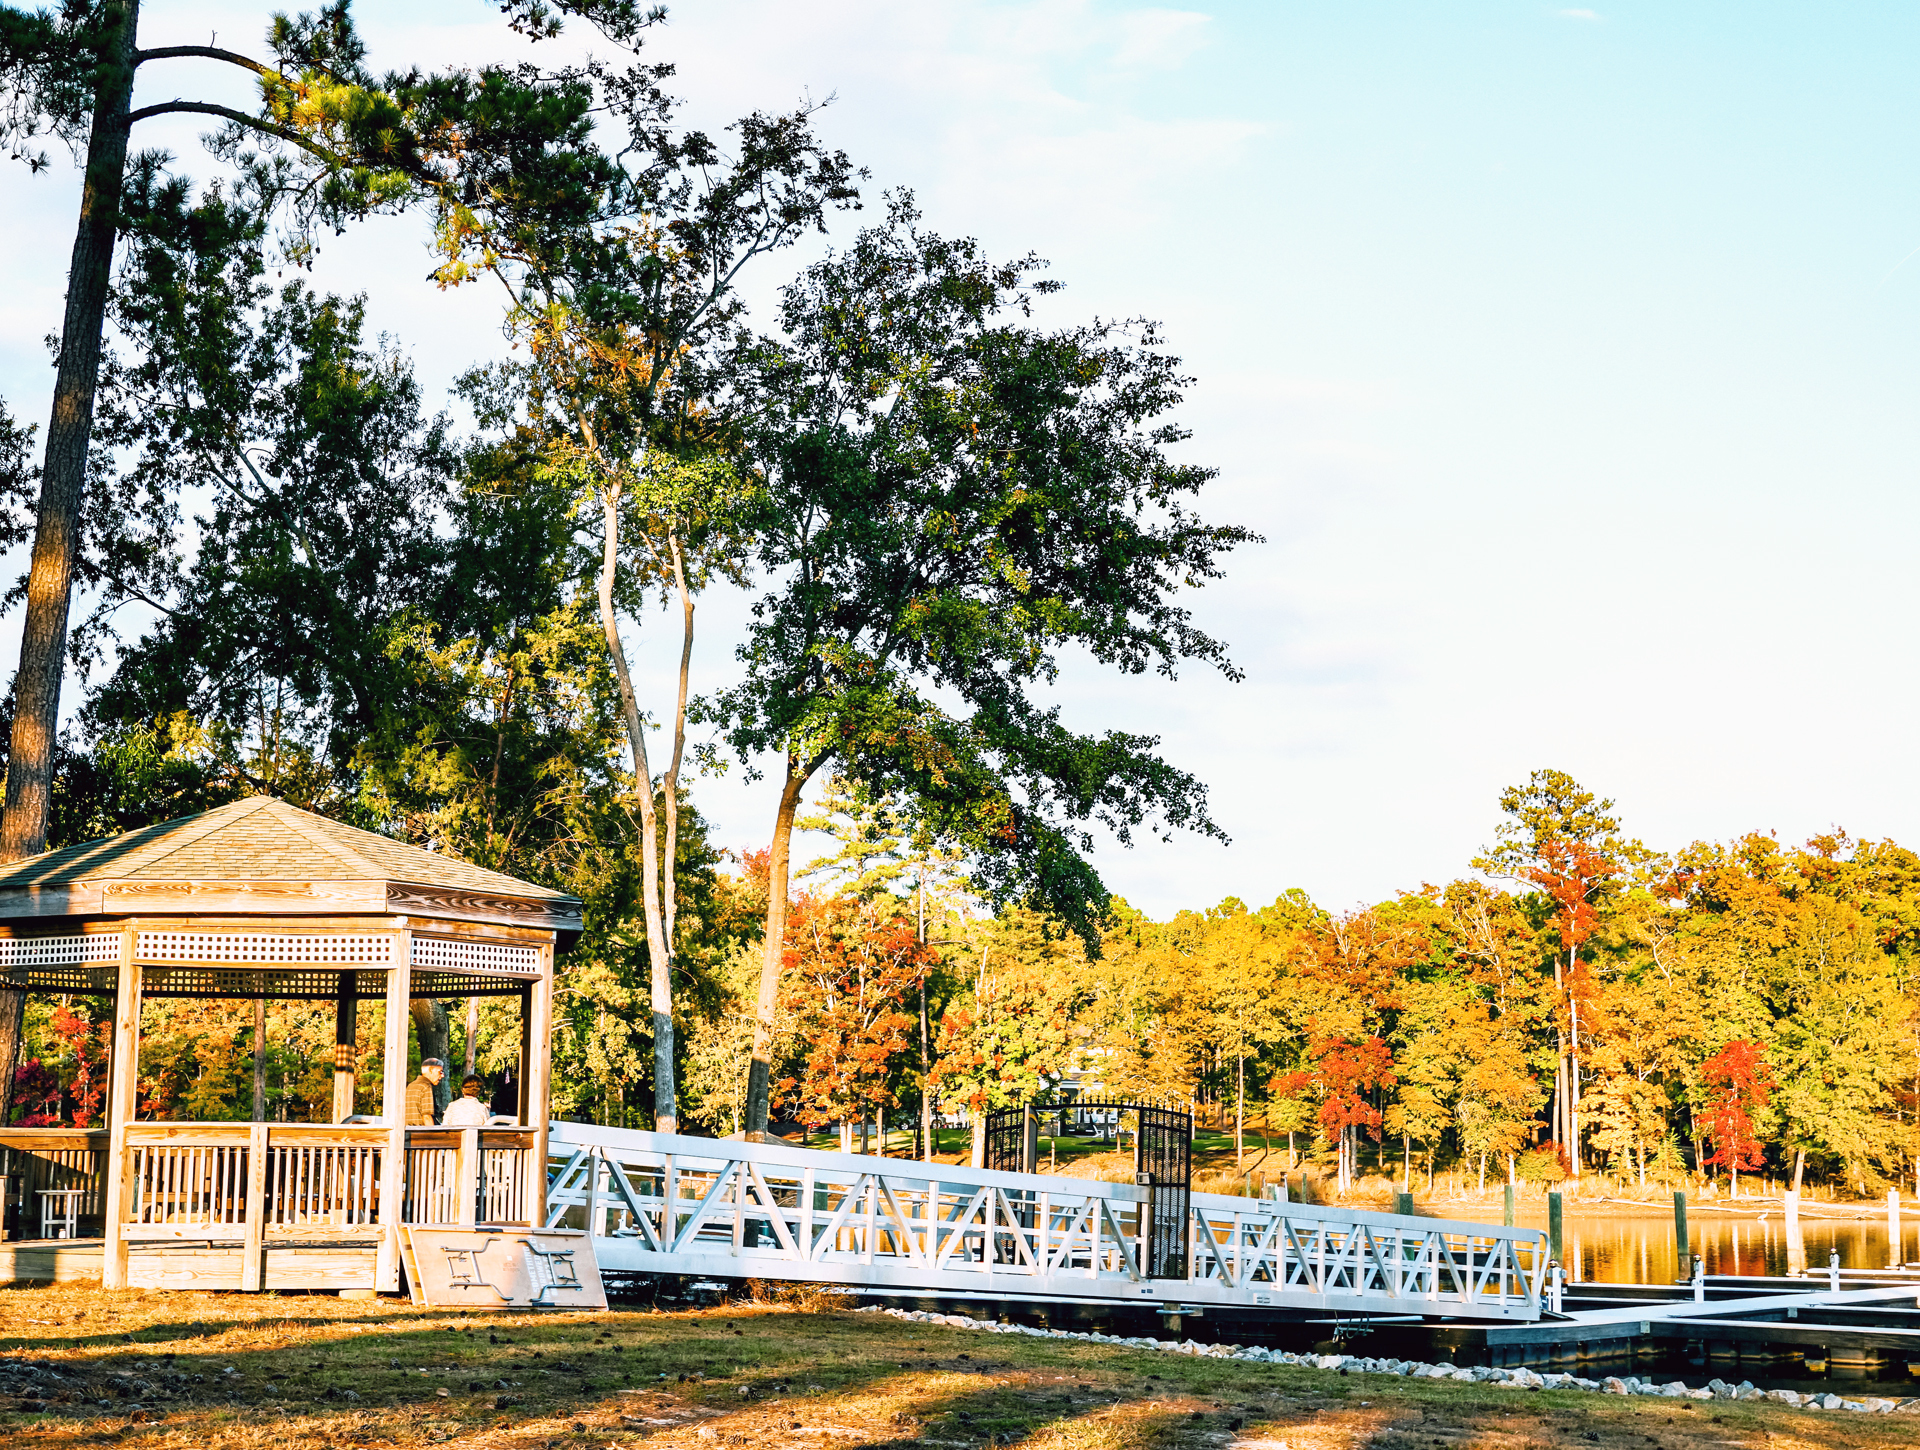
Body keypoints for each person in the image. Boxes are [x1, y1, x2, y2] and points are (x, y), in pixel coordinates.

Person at [405, 1058, 447, 1125]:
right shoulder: (426, 1086)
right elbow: (426, 1116)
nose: (442, 1075)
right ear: (430, 1070)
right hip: (421, 1131)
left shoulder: (411, 1085)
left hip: (408, 1130)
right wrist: (432, 1134)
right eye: (440, 1072)